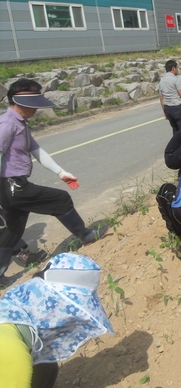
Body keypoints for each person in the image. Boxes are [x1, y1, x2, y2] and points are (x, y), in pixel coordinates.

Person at [0, 253, 139, 388]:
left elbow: (23, 387)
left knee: (44, 368)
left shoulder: (10, 314)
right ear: (54, 308)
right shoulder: (10, 352)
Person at [0, 79, 108, 282]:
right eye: (34, 103)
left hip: (12, 186)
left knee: (13, 230)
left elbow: (36, 150)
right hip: (12, 185)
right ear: (20, 101)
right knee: (60, 200)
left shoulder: (20, 123)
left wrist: (61, 172)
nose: (36, 109)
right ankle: (85, 235)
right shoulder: (6, 124)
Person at [158, 59, 181, 135]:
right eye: (177, 68)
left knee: (175, 129)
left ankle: (176, 145)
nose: (177, 69)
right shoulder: (176, 79)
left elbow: (161, 98)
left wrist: (165, 111)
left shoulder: (162, 81)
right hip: (176, 108)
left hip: (168, 108)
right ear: (173, 68)